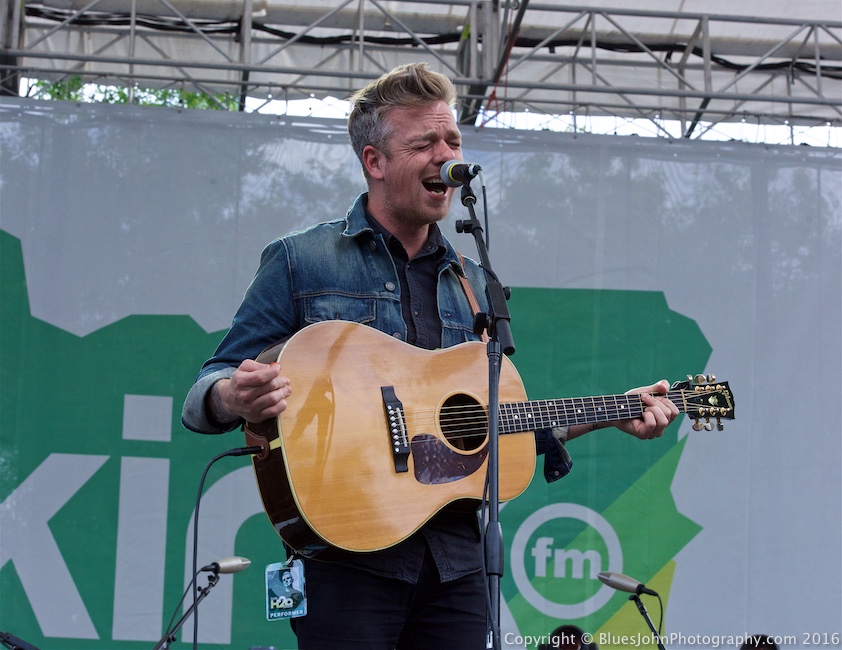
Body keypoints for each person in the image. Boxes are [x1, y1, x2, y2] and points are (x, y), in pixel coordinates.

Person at [182, 62, 678, 649]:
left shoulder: (471, 281)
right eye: (425, 144)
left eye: (453, 142)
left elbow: (490, 421)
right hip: (347, 553)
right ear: (375, 161)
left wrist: (613, 412)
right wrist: (232, 395)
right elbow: (203, 393)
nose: (446, 156)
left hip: (455, 564)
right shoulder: (302, 261)